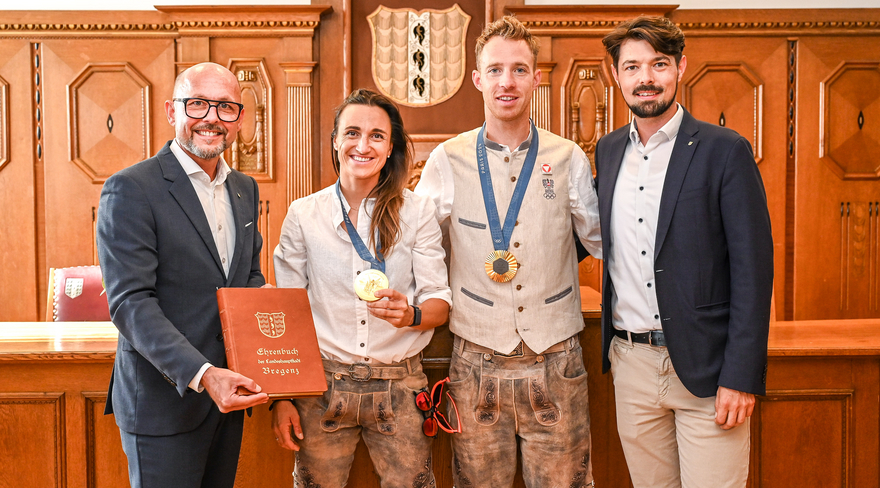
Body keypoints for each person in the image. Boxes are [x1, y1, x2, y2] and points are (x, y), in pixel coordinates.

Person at [415, 16, 602, 488]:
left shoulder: (567, 157)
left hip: (555, 358)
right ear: (477, 78)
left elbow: (603, 242)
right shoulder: (446, 159)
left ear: (536, 78)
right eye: (495, 69)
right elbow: (417, 245)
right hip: (476, 361)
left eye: (519, 69)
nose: (507, 81)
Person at [596, 16, 774, 488]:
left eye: (658, 64)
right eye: (631, 67)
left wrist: (741, 375)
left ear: (680, 68)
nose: (645, 78)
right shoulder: (608, 151)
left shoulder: (725, 150)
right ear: (617, 76)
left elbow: (754, 272)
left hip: (708, 370)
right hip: (631, 366)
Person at [97, 62, 270, 488]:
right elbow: (130, 303)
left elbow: (247, 280)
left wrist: (276, 342)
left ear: (239, 120)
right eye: (197, 104)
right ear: (172, 112)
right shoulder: (132, 189)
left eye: (226, 107)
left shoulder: (244, 190)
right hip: (164, 402)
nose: (212, 117)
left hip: (228, 399)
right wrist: (204, 374)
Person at [271, 88, 452, 487]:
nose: (363, 145)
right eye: (352, 133)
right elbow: (287, 313)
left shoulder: (417, 211)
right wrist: (281, 397)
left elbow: (439, 303)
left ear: (390, 148)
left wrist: (412, 315)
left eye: (376, 136)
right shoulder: (304, 215)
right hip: (322, 388)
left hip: (401, 387)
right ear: (336, 141)